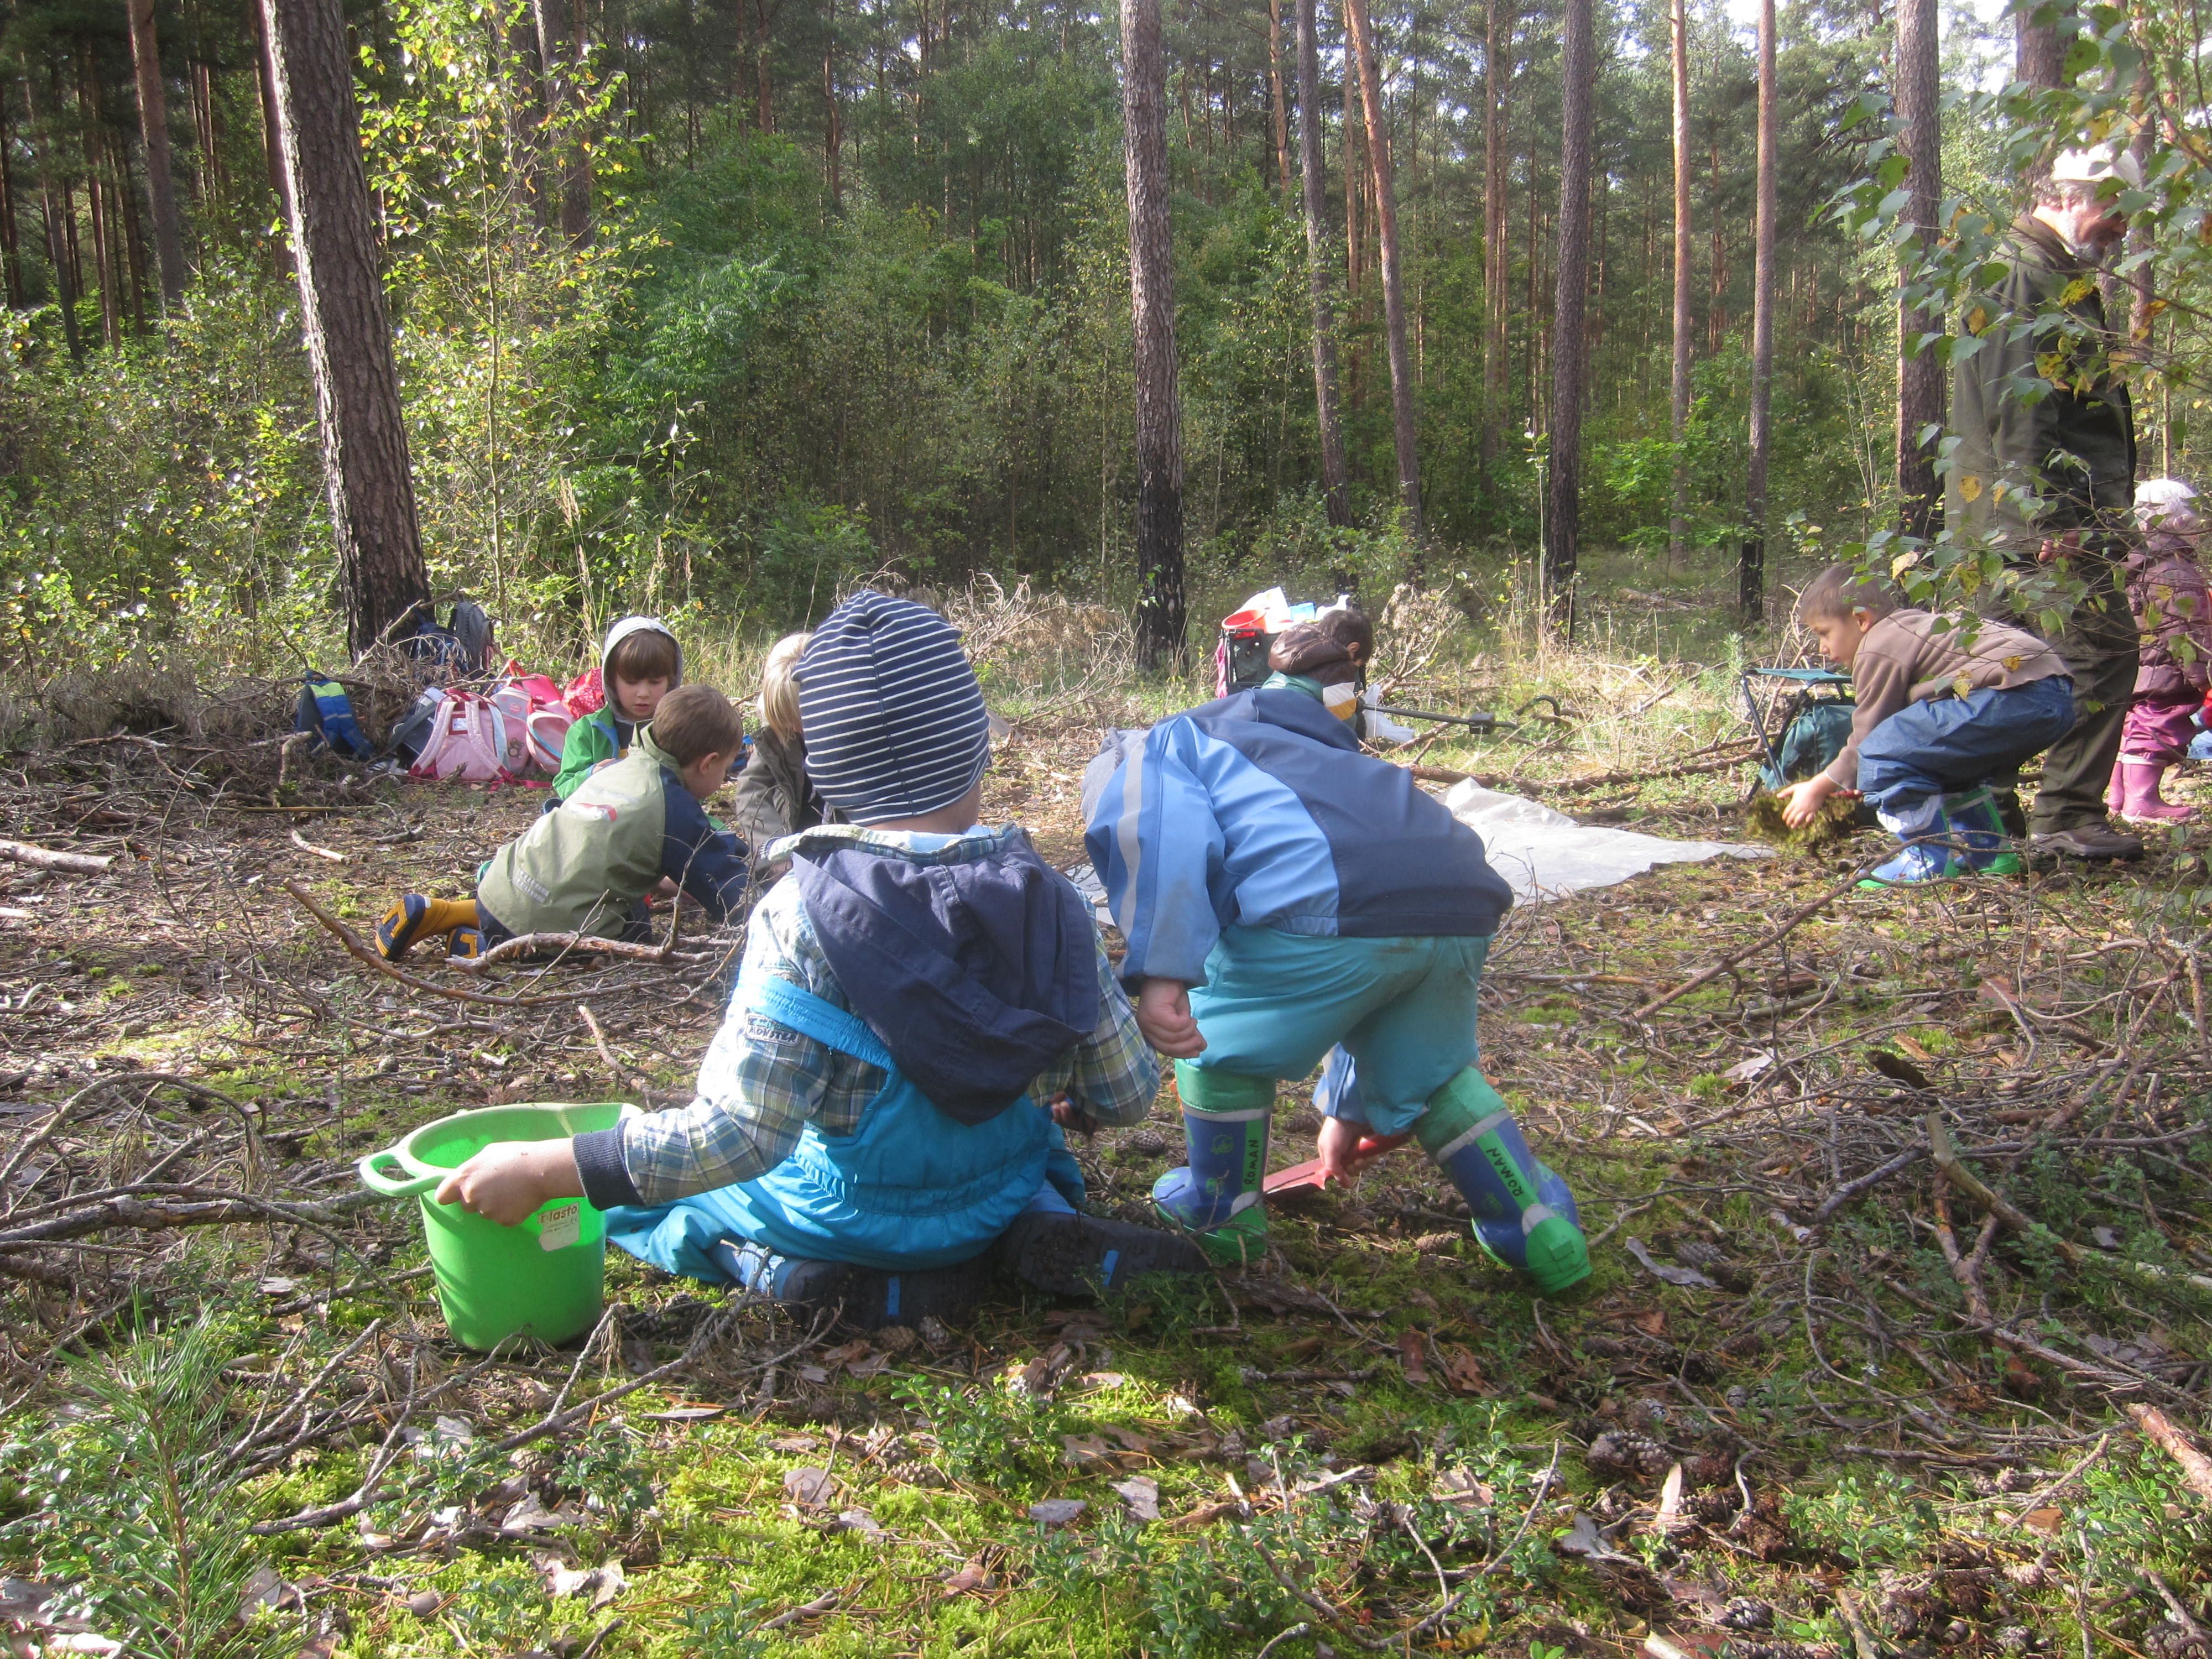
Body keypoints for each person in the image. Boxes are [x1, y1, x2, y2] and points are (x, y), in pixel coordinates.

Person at [428, 591, 1203, 1328]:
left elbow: (734, 1138)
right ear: (980, 744)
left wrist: (545, 1168)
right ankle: (1040, 1228)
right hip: (992, 1195)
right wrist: (1074, 1093)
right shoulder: (1055, 901)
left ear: (825, 770)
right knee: (1038, 1154)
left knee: (662, 1201)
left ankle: (783, 1271)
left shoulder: (800, 914)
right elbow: (1129, 1094)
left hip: (847, 1217)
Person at [1081, 609, 1591, 1295]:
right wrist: (1346, 1115)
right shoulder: (1345, 759)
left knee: (1217, 1039)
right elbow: (1370, 983)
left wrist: (1163, 968)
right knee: (1435, 1073)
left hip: (1321, 912)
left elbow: (1162, 839)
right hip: (1457, 904)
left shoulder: (1175, 738)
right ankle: (1528, 1219)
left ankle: (1222, 1208)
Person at [1946, 143, 2143, 861]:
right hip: (2042, 522)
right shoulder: (2024, 276)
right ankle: (2066, 816)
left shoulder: (2052, 276)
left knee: (2007, 665)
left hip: (2013, 521)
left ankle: (1983, 814)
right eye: (2116, 214)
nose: (2122, 231)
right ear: (2072, 197)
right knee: (2105, 649)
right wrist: (2048, 523)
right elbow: (2020, 410)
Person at [376, 683, 749, 961]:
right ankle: (488, 948)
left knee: (598, 891)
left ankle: (471, 926)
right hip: (544, 927)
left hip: (498, 887)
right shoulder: (673, 806)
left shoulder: (621, 766)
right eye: (726, 766)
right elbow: (727, 891)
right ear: (707, 762)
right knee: (636, 930)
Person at [1774, 565, 2076, 886]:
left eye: (1824, 633)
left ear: (1861, 619)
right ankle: (1990, 853)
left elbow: (1869, 738)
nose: (1822, 648)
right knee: (1938, 758)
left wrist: (1818, 787)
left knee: (1881, 750)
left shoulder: (1878, 644)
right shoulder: (1913, 629)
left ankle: (1924, 861)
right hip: (2055, 695)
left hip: (2014, 695)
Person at [2107, 479, 2212, 824]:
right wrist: (2204, 674)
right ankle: (2142, 799)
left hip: (2141, 665)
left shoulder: (2139, 561)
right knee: (2160, 725)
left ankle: (2119, 797)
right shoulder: (2174, 569)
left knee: (2135, 724)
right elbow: (2189, 628)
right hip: (2166, 668)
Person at [726, 632, 837, 859]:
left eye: (803, 718)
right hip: (793, 846)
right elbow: (752, 791)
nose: (796, 729)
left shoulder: (856, 738)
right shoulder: (778, 736)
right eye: (788, 720)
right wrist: (775, 850)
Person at [551, 617, 685, 802]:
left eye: (655, 682)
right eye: (631, 682)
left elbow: (694, 792)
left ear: (671, 680)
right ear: (611, 680)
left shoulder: (677, 731)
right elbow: (565, 786)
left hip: (659, 821)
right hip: (602, 820)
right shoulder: (587, 731)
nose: (643, 693)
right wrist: (592, 775)